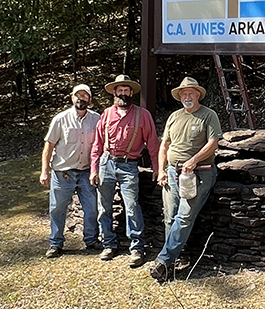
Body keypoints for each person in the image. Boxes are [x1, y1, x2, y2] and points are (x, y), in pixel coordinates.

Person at [149, 77, 223, 283]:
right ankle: (168, 265)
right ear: (179, 96)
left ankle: (163, 260)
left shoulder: (208, 115)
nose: (187, 97)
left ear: (198, 95)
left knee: (184, 217)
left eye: (191, 93)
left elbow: (213, 143)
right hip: (172, 173)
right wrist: (161, 170)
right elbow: (164, 145)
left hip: (198, 173)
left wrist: (193, 160)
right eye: (184, 94)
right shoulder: (174, 116)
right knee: (169, 217)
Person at [90, 74, 159, 268]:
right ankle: (109, 244)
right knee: (104, 207)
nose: (123, 93)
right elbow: (97, 144)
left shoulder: (142, 115)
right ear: (114, 93)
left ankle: (137, 248)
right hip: (106, 163)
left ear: (131, 93)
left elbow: (153, 142)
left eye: (126, 90)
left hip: (129, 165)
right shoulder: (106, 114)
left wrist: (156, 167)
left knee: (132, 206)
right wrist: (94, 169)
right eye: (119, 90)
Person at [40, 84, 100, 258]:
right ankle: (55, 243)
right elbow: (49, 145)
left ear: (90, 99)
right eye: (77, 95)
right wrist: (44, 171)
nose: (81, 98)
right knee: (57, 209)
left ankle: (91, 240)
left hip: (86, 172)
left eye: (85, 95)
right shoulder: (61, 119)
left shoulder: (96, 119)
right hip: (63, 173)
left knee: (92, 208)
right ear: (71, 97)